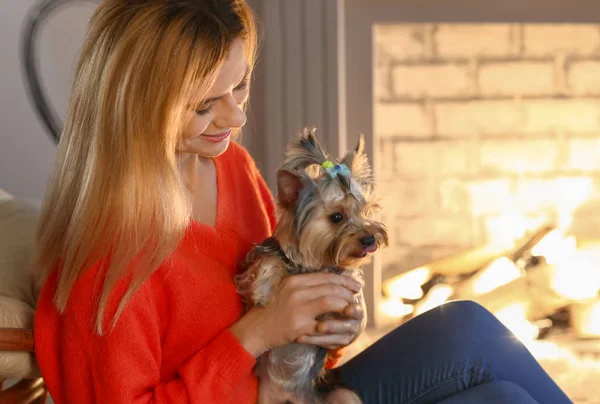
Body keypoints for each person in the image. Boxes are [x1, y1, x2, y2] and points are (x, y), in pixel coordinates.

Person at [33, 1, 573, 403]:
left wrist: (332, 325)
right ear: (135, 105)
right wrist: (256, 333)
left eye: (239, 86)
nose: (237, 118)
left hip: (296, 393)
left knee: (469, 331)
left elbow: (289, 290)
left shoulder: (231, 169)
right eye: (204, 106)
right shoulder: (105, 263)